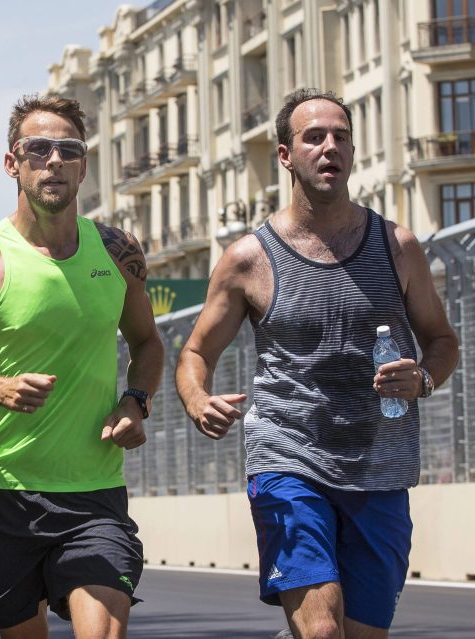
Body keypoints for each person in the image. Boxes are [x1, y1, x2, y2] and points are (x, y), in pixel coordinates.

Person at [175, 88, 459, 639]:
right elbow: (194, 352)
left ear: (352, 152)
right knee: (322, 631)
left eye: (341, 137)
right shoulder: (248, 259)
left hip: (381, 467)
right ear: (285, 155)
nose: (330, 147)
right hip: (287, 461)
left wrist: (422, 378)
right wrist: (195, 398)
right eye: (314, 137)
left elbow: (443, 340)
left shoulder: (397, 246)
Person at [0, 94, 164, 639]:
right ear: (12, 163)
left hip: (94, 491)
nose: (53, 161)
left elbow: (148, 344)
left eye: (68, 150)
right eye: (38, 149)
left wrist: (134, 401)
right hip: (5, 492)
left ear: (84, 166)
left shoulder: (118, 252)